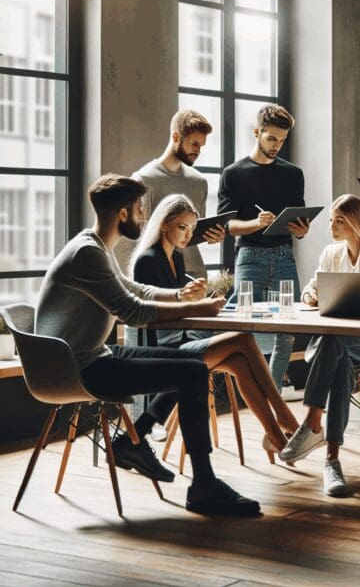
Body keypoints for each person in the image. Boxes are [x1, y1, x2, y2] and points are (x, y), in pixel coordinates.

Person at [35, 174, 259, 516]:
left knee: (191, 364)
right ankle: (203, 486)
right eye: (139, 209)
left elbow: (133, 289)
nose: (143, 216)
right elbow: (132, 311)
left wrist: (179, 295)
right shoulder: (88, 253)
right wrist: (196, 307)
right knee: (192, 374)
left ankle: (133, 442)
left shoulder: (94, 246)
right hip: (78, 369)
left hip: (93, 356)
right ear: (123, 214)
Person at [130, 193, 300, 458]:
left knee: (240, 363)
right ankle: (286, 417)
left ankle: (277, 438)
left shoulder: (175, 258)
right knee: (242, 340)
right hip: (166, 350)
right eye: (182, 228)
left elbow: (180, 308)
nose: (188, 236)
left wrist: (197, 298)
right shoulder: (147, 261)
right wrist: (195, 304)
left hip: (182, 342)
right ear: (164, 225)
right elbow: (151, 315)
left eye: (192, 229)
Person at [278, 195, 360, 497]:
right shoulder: (331, 253)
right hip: (337, 347)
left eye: (339, 220)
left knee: (334, 343)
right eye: (331, 219)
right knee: (339, 358)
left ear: (356, 222)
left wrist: (336, 301)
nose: (332, 226)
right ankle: (332, 460)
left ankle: (312, 423)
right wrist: (310, 297)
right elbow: (311, 288)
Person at [218, 103, 312, 396]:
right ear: (257, 132)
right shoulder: (234, 174)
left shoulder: (293, 174)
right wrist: (255, 224)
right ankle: (251, 391)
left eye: (282, 140)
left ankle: (271, 394)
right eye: (272, 139)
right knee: (244, 328)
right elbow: (227, 226)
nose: (277, 146)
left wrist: (302, 229)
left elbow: (299, 219)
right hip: (249, 257)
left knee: (287, 330)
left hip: (284, 254)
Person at [126, 109, 225, 279]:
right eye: (194, 144)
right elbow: (135, 238)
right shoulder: (143, 180)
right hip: (159, 273)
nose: (198, 151)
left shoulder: (199, 182)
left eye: (201, 146)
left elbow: (194, 230)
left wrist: (211, 236)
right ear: (176, 137)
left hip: (195, 273)